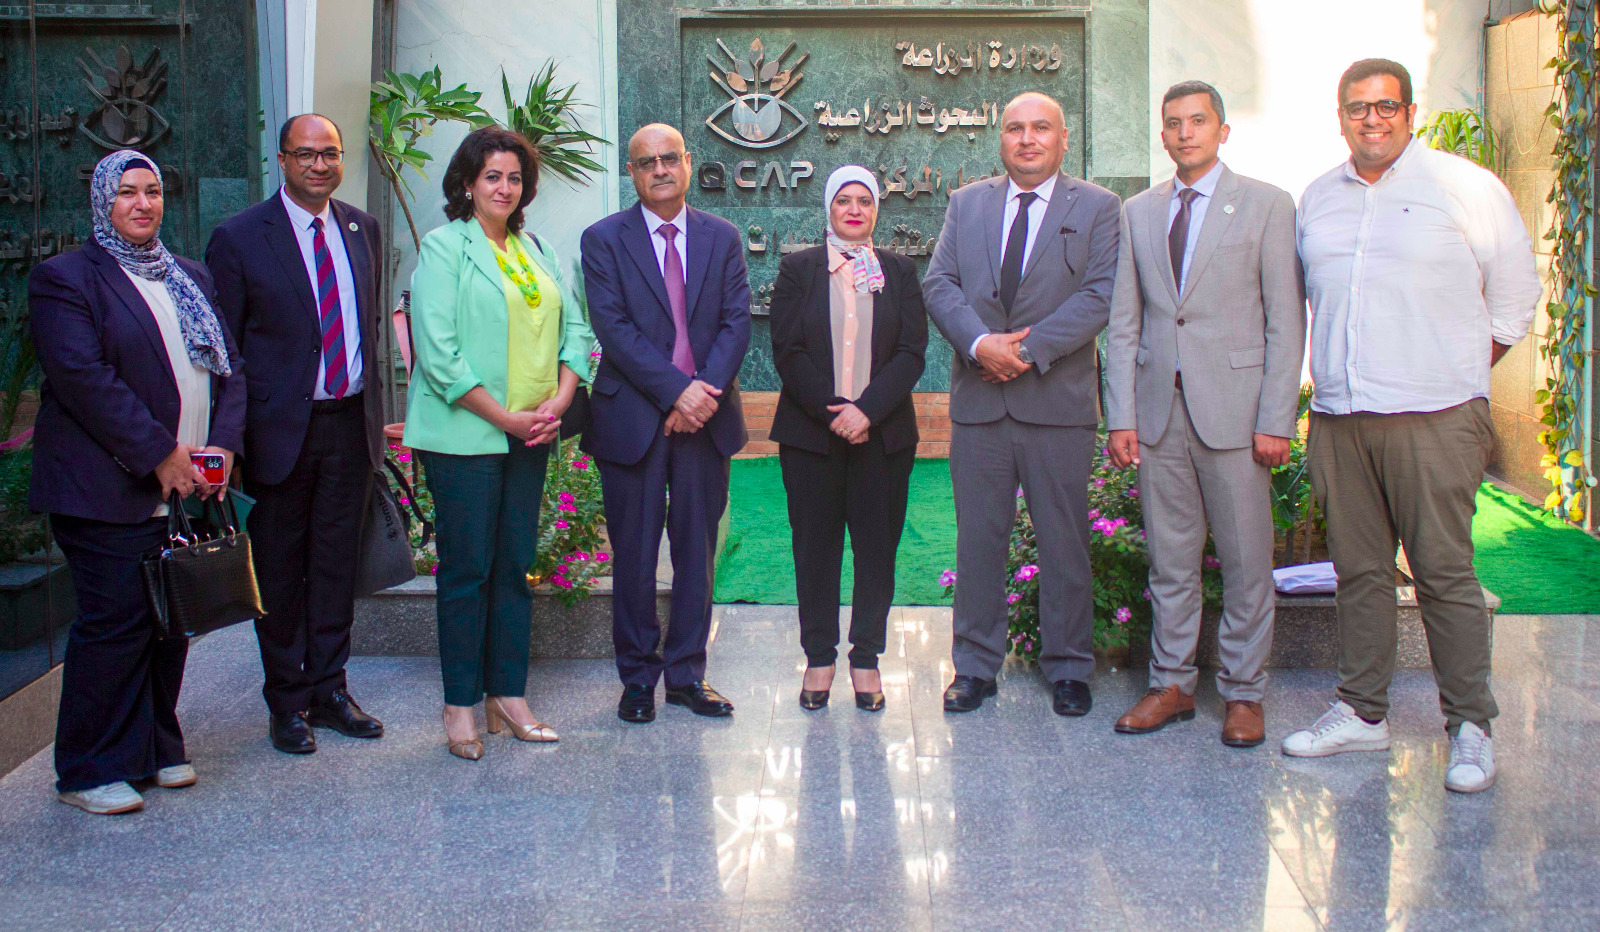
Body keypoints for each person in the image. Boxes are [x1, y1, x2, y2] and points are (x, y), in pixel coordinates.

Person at [1283, 59, 1540, 792]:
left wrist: (1452, 369)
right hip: (1341, 418)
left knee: (1443, 573)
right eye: (1357, 107)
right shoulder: (1318, 198)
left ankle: (1470, 726)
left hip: (1436, 417)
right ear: (1340, 116)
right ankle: (1363, 712)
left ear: (1410, 112)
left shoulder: (1464, 187)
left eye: (1386, 106)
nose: (1372, 119)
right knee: (1359, 573)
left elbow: (1515, 298)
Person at [30, 150, 245, 814]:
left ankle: (155, 746)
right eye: (127, 192)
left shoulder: (190, 275)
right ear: (103, 202)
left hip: (188, 488)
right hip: (105, 488)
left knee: (168, 619)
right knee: (115, 623)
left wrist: (222, 446)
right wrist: (159, 454)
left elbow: (230, 369)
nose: (143, 204)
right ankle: (88, 768)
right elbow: (84, 380)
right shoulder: (66, 279)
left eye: (152, 191)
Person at [1104, 81, 1306, 747]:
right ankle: (1172, 684)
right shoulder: (1137, 212)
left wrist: (1276, 419)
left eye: (1198, 120)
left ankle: (1244, 692)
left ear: (1222, 130)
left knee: (1247, 562)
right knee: (1170, 561)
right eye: (1173, 123)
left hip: (1239, 416)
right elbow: (1125, 323)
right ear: (1162, 135)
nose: (1185, 132)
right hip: (1159, 415)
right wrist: (1122, 416)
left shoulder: (1268, 205)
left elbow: (1286, 322)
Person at [923, 92, 1121, 715]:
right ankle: (975, 666)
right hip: (980, 406)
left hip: (1057, 404)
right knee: (979, 541)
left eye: (1041, 128)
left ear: (1063, 138)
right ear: (1000, 138)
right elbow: (939, 283)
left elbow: (1100, 295)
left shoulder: (1099, 207)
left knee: (1064, 541)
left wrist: (1028, 351)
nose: (1027, 139)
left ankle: (1069, 667)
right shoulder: (967, 204)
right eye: (1015, 128)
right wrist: (980, 344)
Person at [405, 125, 595, 759]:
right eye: (492, 176)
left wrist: (561, 400)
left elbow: (576, 328)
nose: (505, 188)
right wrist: (505, 418)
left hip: (532, 431)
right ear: (467, 183)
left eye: (515, 178)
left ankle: (507, 695)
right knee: (467, 570)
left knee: (514, 566)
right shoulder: (444, 247)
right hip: (466, 435)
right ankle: (460, 704)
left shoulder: (535, 248)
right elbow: (439, 354)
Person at [206, 114, 387, 755]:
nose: (318, 165)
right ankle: (287, 702)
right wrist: (226, 441)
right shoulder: (238, 237)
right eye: (305, 154)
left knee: (336, 566)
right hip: (278, 433)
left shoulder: (362, 228)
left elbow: (366, 327)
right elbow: (223, 351)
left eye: (329, 154)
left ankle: (331, 691)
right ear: (281, 160)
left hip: (350, 425)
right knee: (280, 572)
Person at [580, 123, 751, 724]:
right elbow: (613, 328)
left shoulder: (722, 236)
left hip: (706, 419)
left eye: (669, 158)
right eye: (646, 161)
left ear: (687, 163)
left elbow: (736, 323)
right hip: (633, 419)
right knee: (633, 555)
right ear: (631, 172)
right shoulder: (604, 239)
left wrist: (701, 396)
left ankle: (686, 675)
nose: (659, 169)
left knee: (697, 552)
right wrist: (679, 392)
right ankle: (636, 678)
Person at [769, 165, 928, 712]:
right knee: (815, 551)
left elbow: (911, 352)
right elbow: (787, 350)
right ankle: (819, 658)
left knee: (876, 551)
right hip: (811, 437)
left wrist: (867, 412)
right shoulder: (798, 268)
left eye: (865, 201)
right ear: (829, 209)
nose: (854, 209)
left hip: (883, 437)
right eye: (844, 200)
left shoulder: (900, 272)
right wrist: (836, 413)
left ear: (877, 210)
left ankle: (866, 659)